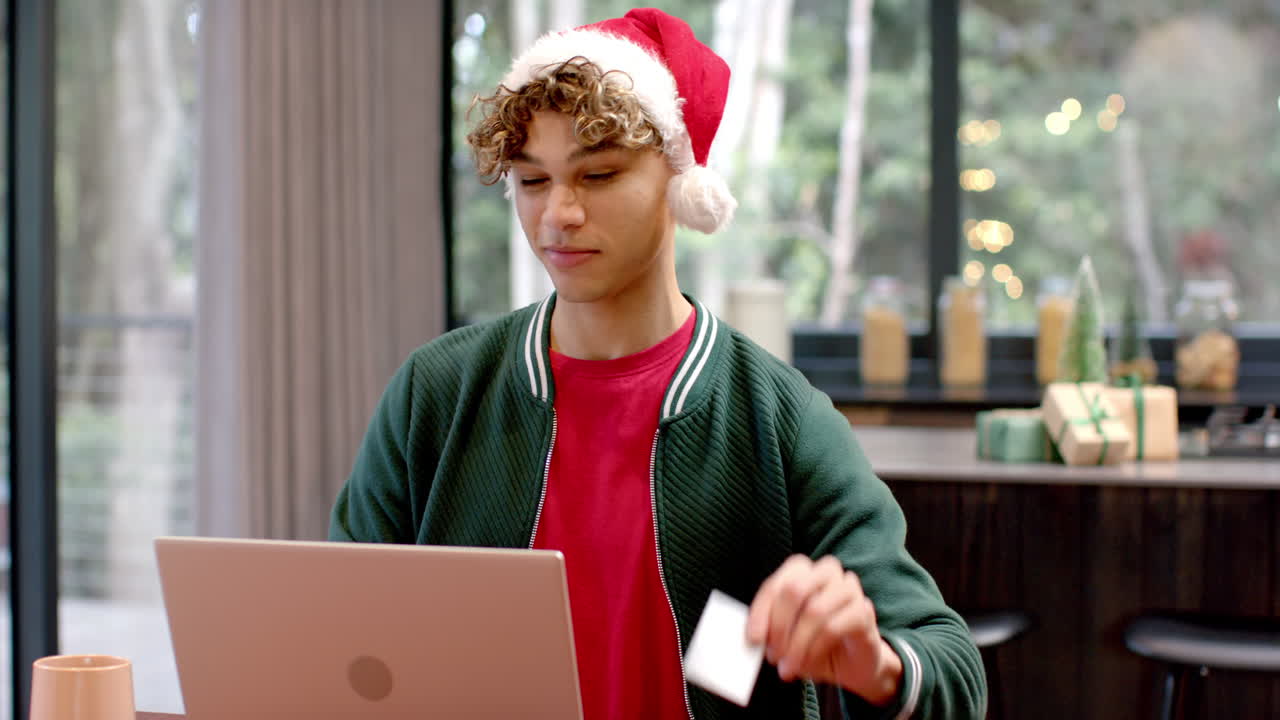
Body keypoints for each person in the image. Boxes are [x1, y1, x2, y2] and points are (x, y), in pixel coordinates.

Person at [329, 8, 984, 719]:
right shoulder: (438, 395)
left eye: (598, 174)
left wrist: (876, 664)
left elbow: (953, 672)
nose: (559, 215)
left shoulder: (780, 421)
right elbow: (336, 637)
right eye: (532, 181)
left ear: (679, 177)